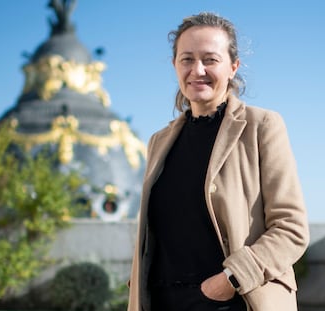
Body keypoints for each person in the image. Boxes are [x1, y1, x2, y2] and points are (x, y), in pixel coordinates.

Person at [128, 12, 309, 311]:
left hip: (233, 302)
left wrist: (231, 279)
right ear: (175, 65)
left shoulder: (261, 126)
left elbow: (291, 228)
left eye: (210, 59)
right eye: (187, 59)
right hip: (163, 301)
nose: (197, 69)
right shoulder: (158, 141)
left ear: (232, 67)